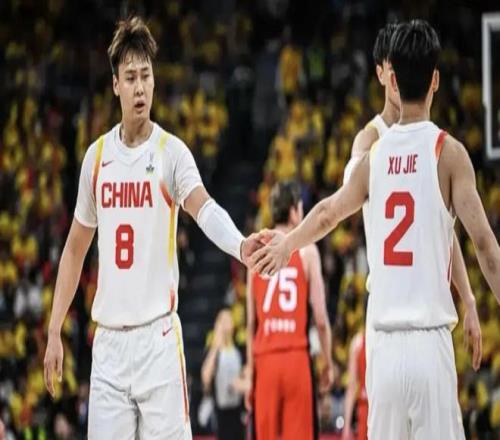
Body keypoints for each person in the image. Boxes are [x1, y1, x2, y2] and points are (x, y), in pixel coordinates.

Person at [250, 20, 500, 440]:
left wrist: (287, 243)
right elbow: (486, 249)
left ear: (393, 79)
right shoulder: (449, 153)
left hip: (382, 348)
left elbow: (328, 212)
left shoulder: (374, 155)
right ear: (436, 81)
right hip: (428, 342)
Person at [43, 16, 262, 439]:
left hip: (157, 340)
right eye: (130, 78)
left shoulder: (171, 152)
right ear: (115, 85)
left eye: (146, 76)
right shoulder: (96, 158)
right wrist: (54, 330)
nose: (140, 87)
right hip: (109, 344)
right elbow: (74, 249)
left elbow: (204, 208)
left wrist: (240, 245)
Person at [342, 22, 482, 440]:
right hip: (387, 313)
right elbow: (339, 208)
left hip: (414, 315)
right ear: (382, 74)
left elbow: (440, 229)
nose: (393, 74)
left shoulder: (420, 142)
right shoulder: (369, 142)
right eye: (388, 66)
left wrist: (468, 298)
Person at [246, 180, 333, 440]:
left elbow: (251, 324)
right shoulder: (307, 251)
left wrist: (251, 373)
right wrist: (327, 362)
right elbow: (321, 319)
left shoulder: (256, 252)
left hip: (265, 360)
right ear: (294, 212)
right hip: (296, 358)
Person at [201, 309, 245, 440]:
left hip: (238, 413)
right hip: (220, 414)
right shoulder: (213, 351)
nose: (226, 323)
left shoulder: (239, 349)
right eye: (222, 320)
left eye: (228, 319)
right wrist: (216, 345)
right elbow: (206, 377)